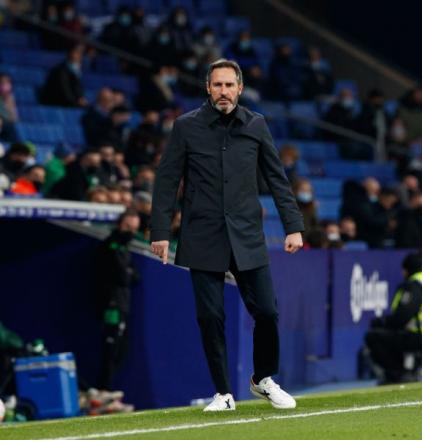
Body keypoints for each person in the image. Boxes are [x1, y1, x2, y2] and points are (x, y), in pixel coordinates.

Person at [150, 59, 304, 411]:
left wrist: (293, 225)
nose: (223, 92)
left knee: (267, 311)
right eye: (217, 85)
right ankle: (223, 393)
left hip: (247, 234)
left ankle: (262, 379)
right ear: (208, 88)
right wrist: (160, 231)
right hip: (202, 234)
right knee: (210, 317)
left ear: (240, 88)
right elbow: (166, 181)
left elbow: (277, 177)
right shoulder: (185, 127)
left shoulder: (256, 124)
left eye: (229, 85)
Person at [365, 252, 422, 384]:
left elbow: (402, 316)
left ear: (408, 269)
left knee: (374, 337)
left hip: (421, 337)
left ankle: (397, 374)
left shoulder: (416, 284)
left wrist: (382, 322)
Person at [93, 208, 140, 391]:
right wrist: (127, 273)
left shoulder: (123, 248)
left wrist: (128, 273)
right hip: (112, 306)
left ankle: (107, 389)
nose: (130, 232)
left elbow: (135, 276)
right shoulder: (109, 247)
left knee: (121, 350)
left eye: (134, 228)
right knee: (110, 349)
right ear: (119, 224)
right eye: (127, 226)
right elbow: (123, 276)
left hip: (123, 305)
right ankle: (104, 389)